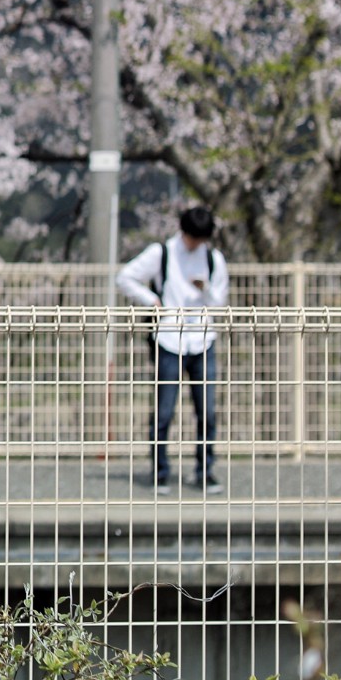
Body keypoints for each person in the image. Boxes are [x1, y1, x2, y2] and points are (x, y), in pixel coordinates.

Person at [113, 205, 229, 495]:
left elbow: (219, 301)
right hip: (169, 338)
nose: (196, 245)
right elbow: (125, 277)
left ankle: (205, 471)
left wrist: (205, 290)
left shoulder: (214, 259)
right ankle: (160, 471)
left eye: (201, 240)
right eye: (193, 238)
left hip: (203, 339)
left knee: (207, 412)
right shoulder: (162, 253)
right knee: (164, 411)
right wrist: (152, 299)